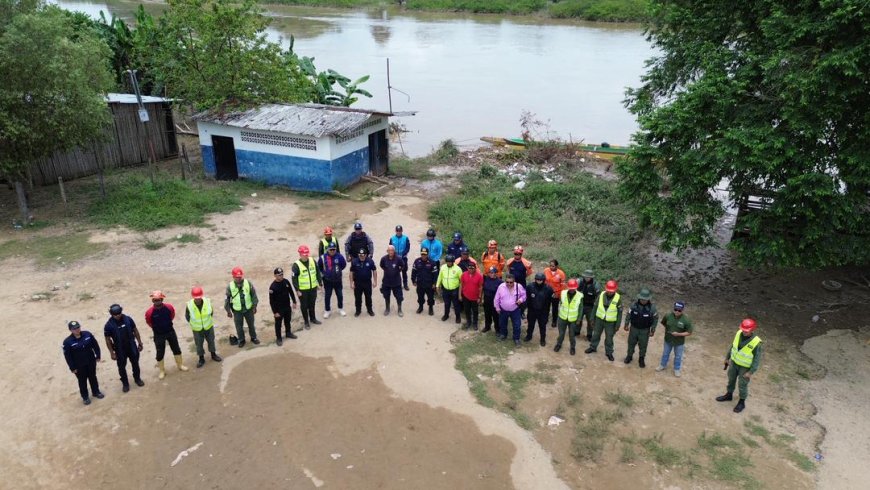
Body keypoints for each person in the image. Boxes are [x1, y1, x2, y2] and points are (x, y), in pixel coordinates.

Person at [716, 319, 763, 413]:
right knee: (731, 380)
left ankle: (742, 402)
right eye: (743, 329)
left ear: (752, 330)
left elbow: (757, 359)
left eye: (747, 330)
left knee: (742, 384)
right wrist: (727, 357)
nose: (744, 332)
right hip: (734, 363)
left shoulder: (756, 343)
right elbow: (733, 346)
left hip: (745, 367)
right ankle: (729, 395)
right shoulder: (738, 334)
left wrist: (751, 372)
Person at [146, 290, 189, 378]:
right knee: (160, 353)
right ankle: (162, 370)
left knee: (176, 348)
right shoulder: (149, 312)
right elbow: (149, 322)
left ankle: (180, 365)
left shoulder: (169, 307)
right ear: (153, 301)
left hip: (170, 331)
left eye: (159, 300)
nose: (157, 302)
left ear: (162, 299)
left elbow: (172, 316)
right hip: (158, 335)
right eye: (155, 300)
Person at [104, 304, 144, 392]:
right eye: (115, 314)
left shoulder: (128, 319)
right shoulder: (109, 325)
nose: (118, 315)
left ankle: (137, 379)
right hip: (119, 349)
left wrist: (140, 342)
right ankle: (125, 384)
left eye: (119, 313)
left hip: (131, 346)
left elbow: (135, 330)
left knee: (135, 364)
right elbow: (108, 339)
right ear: (111, 314)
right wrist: (112, 352)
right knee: (121, 367)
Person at [63, 321, 104, 405]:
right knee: (82, 381)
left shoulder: (87, 334)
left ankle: (96, 392)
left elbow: (95, 345)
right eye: (74, 329)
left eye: (78, 327)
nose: (77, 330)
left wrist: (98, 355)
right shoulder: (67, 342)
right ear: (70, 330)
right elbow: (68, 356)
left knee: (93, 377)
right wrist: (72, 368)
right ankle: (85, 397)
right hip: (79, 366)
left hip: (91, 362)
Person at [585, 280, 623, 361]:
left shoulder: (618, 298)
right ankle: (593, 347)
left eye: (611, 291)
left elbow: (620, 313)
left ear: (615, 291)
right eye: (608, 291)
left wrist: (617, 325)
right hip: (599, 320)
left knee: (609, 338)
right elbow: (595, 307)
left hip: (610, 322)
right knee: (596, 334)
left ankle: (609, 352)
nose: (609, 293)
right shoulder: (601, 295)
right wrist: (592, 318)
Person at [185, 287, 223, 366]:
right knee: (199, 344)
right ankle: (201, 359)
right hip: (197, 329)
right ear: (193, 297)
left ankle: (213, 355)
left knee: (211, 341)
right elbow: (187, 317)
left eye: (199, 298)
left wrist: (207, 322)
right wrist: (194, 324)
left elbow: (211, 312)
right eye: (196, 298)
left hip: (208, 326)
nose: (198, 299)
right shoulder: (189, 305)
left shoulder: (207, 302)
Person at [655, 301, 694, 377]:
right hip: (668, 339)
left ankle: (676, 369)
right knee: (665, 353)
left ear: (682, 310)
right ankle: (662, 365)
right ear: (673, 309)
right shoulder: (668, 316)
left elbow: (689, 332)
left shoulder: (686, 320)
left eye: (679, 310)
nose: (677, 312)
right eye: (676, 309)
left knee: (678, 356)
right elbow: (663, 323)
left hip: (679, 342)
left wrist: (678, 334)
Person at [224, 267, 260, 348]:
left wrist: (254, 306)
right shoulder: (229, 287)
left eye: (240, 277)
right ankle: (241, 340)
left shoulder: (248, 283)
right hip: (237, 311)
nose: (239, 278)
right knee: (239, 327)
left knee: (251, 325)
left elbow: (253, 295)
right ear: (233, 277)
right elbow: (227, 299)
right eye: (237, 277)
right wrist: (228, 311)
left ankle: (253, 337)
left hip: (248, 309)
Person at [623, 288, 658, 368]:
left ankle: (641, 359)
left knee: (643, 345)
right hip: (634, 329)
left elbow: (655, 318)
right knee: (631, 343)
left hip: (645, 330)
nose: (643, 301)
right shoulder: (633, 305)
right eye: (642, 299)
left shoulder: (652, 308)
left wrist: (653, 329)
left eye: (645, 299)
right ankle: (629, 356)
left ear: (648, 299)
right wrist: (626, 324)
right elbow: (628, 314)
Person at [292, 245, 322, 329]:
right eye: (304, 254)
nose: (305, 255)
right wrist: (297, 290)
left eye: (306, 254)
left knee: (312, 304)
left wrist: (320, 283)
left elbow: (317, 272)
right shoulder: (296, 265)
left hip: (313, 288)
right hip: (303, 290)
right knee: (304, 306)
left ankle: (313, 318)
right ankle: (306, 322)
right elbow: (294, 279)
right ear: (300, 254)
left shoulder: (312, 260)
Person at [493, 273, 526, 346]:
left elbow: (524, 295)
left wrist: (520, 300)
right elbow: (496, 298)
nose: (509, 284)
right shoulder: (501, 287)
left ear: (514, 281)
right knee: (502, 323)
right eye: (507, 282)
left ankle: (516, 338)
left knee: (517, 325)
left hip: (515, 310)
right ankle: (503, 335)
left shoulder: (519, 286)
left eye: (511, 282)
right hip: (503, 310)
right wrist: (497, 308)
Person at [268, 268, 298, 346]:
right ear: (275, 276)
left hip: (287, 306)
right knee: (278, 324)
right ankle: (279, 338)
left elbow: (291, 292)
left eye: (282, 274)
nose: (281, 276)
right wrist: (275, 312)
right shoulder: (272, 287)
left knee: (287, 321)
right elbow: (271, 301)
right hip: (279, 309)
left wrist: (294, 301)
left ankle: (288, 333)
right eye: (279, 275)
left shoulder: (286, 281)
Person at [554, 279, 583, 355]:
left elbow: (581, 308)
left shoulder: (580, 296)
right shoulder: (563, 293)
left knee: (572, 335)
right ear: (568, 287)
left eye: (573, 288)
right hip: (562, 318)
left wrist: (579, 319)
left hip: (573, 319)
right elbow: (561, 303)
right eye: (570, 288)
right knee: (561, 333)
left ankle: (572, 347)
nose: (572, 290)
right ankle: (559, 344)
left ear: (576, 288)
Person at [318, 243, 347, 318]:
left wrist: (337, 272)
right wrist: (324, 274)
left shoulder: (339, 256)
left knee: (340, 295)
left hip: (338, 280)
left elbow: (343, 265)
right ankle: (327, 310)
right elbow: (319, 267)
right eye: (330, 249)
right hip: (327, 281)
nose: (332, 251)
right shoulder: (323, 257)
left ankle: (340, 309)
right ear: (327, 249)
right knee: (327, 296)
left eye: (334, 249)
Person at [525, 272, 553, 345]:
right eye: (537, 280)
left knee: (542, 326)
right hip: (532, 310)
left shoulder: (548, 289)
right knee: (530, 324)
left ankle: (542, 339)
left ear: (543, 280)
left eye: (540, 280)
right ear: (535, 279)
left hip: (543, 311)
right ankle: (529, 336)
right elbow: (527, 298)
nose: (539, 281)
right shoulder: (530, 287)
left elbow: (550, 301)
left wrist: (547, 312)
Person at [505, 246, 532, 316]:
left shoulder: (525, 262)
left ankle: (521, 312)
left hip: (522, 283)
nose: (517, 255)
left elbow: (529, 272)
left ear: (521, 254)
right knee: (511, 296)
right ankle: (511, 310)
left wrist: (524, 277)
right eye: (515, 254)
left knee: (523, 298)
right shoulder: (510, 262)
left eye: (519, 254)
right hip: (512, 283)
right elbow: (508, 269)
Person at [380, 245, 406, 316]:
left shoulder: (399, 259)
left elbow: (403, 266)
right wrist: (387, 270)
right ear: (387, 251)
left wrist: (397, 270)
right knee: (386, 295)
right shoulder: (383, 259)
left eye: (392, 250)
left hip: (396, 282)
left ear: (394, 251)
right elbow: (381, 265)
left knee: (399, 297)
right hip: (386, 281)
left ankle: (399, 309)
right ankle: (387, 308)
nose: (390, 252)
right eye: (389, 250)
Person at [350, 249, 378, 316]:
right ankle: (358, 311)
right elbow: (351, 272)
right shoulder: (354, 261)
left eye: (363, 255)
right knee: (357, 298)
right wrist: (351, 283)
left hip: (367, 283)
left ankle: (369, 310)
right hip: (358, 283)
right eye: (360, 255)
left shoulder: (370, 261)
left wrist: (375, 281)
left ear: (366, 255)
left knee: (368, 297)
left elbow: (374, 271)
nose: (361, 256)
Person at [436, 254, 463, 323]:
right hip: (445, 289)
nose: (449, 263)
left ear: (453, 261)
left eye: (450, 262)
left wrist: (460, 292)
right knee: (446, 303)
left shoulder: (458, 269)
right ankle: (446, 315)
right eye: (447, 261)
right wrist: (437, 286)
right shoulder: (443, 267)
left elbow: (462, 281)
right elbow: (440, 277)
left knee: (456, 304)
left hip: (454, 290)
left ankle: (458, 317)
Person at [411, 247, 438, 315]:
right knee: (420, 297)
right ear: (421, 254)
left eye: (425, 254)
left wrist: (434, 283)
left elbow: (435, 274)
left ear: (428, 254)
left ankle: (431, 308)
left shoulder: (432, 262)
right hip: (420, 283)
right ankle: (421, 307)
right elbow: (414, 271)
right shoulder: (417, 261)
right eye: (422, 254)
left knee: (430, 298)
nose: (423, 256)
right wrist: (413, 280)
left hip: (429, 284)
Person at [459, 262, 484, 330]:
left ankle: (475, 323)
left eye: (472, 268)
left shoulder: (479, 276)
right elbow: (461, 285)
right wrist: (460, 295)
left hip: (475, 298)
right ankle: (468, 322)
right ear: (468, 268)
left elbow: (480, 288)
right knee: (467, 310)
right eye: (469, 268)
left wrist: (480, 298)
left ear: (475, 268)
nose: (471, 269)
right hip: (465, 296)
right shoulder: (463, 274)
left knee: (475, 311)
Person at [578, 270, 601, 341]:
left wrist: (596, 305)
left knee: (590, 321)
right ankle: (576, 331)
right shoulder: (580, 282)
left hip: (590, 306)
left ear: (591, 277)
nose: (587, 278)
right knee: (579, 318)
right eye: (585, 277)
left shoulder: (596, 284)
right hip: (580, 304)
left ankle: (589, 334)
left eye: (588, 277)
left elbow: (598, 296)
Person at [544, 260, 566, 328]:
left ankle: (554, 321)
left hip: (556, 293)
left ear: (557, 266)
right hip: (547, 292)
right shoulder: (546, 271)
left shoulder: (561, 273)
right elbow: (544, 281)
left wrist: (559, 294)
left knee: (555, 308)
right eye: (550, 265)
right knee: (546, 307)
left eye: (553, 266)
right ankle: (545, 319)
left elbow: (563, 286)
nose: (551, 267)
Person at [388, 225, 411, 291]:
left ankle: (405, 284)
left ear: (402, 231)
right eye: (397, 231)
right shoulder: (392, 238)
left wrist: (403, 254)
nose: (398, 232)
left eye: (400, 231)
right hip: (395, 258)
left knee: (404, 271)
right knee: (395, 272)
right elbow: (390, 247)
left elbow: (407, 247)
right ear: (395, 231)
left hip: (403, 258)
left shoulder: (405, 238)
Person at [481, 266, 503, 333]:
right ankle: (487, 327)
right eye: (490, 273)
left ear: (496, 273)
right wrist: (481, 298)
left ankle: (497, 329)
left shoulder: (500, 282)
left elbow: (502, 294)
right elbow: (482, 289)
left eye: (493, 272)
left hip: (495, 301)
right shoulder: (486, 279)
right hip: (487, 300)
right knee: (487, 314)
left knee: (496, 316)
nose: (492, 274)